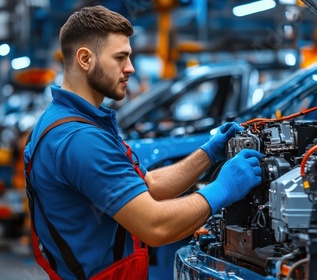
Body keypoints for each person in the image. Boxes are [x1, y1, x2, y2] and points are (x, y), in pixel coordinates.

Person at [23, 5, 263, 280]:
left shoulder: (69, 120)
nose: (130, 68)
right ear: (85, 59)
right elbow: (155, 225)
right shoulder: (80, 140)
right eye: (120, 57)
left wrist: (208, 153)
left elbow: (148, 185)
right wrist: (224, 187)